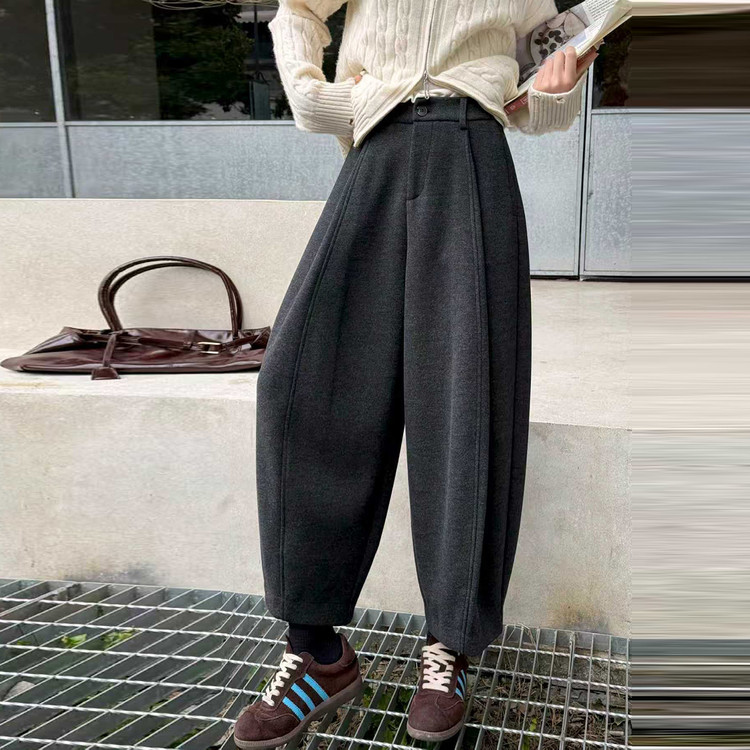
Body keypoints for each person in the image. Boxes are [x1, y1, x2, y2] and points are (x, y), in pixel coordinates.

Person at [235, 1, 595, 747]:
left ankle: (450, 646)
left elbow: (529, 99)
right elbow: (297, 10)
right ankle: (317, 652)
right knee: (302, 384)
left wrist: (559, 92)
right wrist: (314, 94)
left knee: (467, 402)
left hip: (473, 154)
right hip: (374, 149)